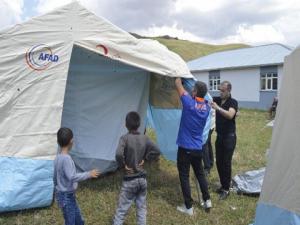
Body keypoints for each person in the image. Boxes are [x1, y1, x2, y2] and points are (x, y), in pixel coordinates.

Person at [113, 111, 160, 225]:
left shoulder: (124, 138)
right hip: (142, 180)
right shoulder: (144, 138)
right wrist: (146, 158)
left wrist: (123, 165)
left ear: (126, 124)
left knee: (121, 211)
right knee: (141, 209)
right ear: (139, 124)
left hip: (130, 180)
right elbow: (157, 150)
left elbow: (118, 154)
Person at [175, 78, 212, 216]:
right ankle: (207, 200)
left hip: (185, 148)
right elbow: (206, 101)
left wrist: (178, 76)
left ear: (195, 91)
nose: (191, 90)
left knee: (184, 176)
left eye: (193, 89)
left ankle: (188, 207)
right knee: (200, 174)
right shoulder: (207, 107)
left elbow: (177, 84)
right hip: (198, 148)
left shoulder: (189, 103)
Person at [54, 127, 100, 225]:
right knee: (70, 221)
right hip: (66, 196)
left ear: (58, 141)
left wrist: (57, 189)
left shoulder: (58, 157)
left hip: (65, 195)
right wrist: (89, 174)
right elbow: (72, 177)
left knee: (78, 220)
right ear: (71, 141)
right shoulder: (66, 159)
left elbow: (55, 177)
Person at [211, 81, 238, 200]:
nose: (220, 92)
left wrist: (218, 108)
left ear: (229, 91)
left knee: (226, 163)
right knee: (219, 162)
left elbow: (230, 115)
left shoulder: (233, 102)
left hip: (229, 137)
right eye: (219, 90)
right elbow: (205, 97)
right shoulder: (217, 99)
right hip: (220, 136)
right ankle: (223, 185)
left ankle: (226, 190)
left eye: (223, 91)